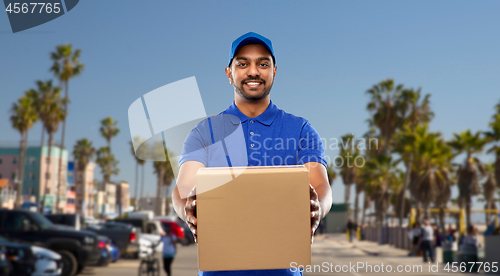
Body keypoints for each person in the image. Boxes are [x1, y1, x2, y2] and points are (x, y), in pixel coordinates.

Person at [172, 32, 332, 276]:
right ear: (229, 73)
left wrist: (318, 208)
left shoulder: (300, 129)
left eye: (263, 64)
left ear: (274, 71)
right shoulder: (205, 132)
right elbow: (183, 187)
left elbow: (321, 186)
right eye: (243, 63)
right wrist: (187, 210)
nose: (253, 72)